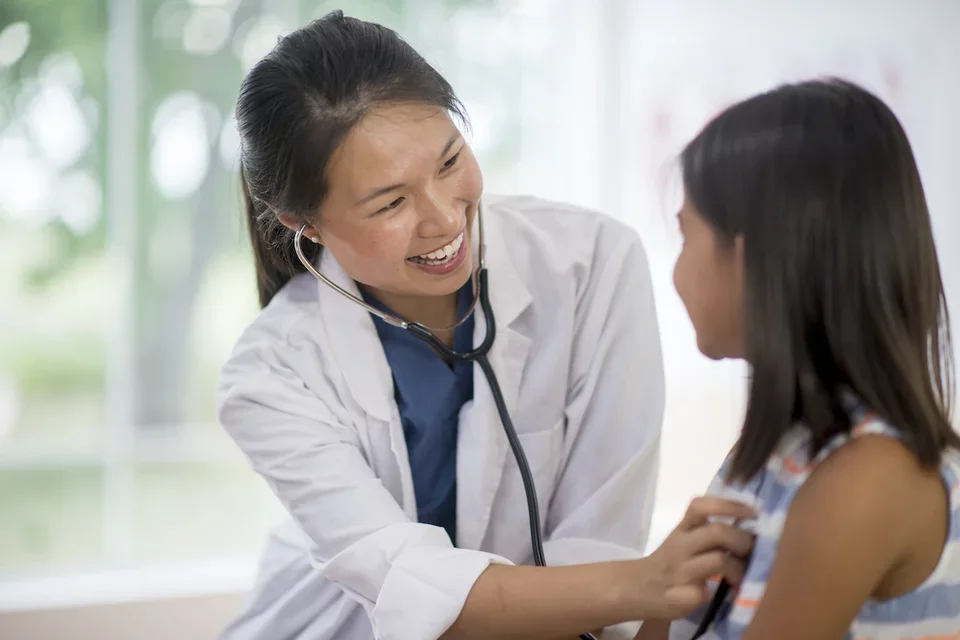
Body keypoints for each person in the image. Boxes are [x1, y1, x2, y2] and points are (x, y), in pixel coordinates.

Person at [218, 11, 753, 640]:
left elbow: (598, 543)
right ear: (304, 223)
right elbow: (410, 591)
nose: (444, 219)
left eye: (449, 163)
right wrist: (648, 583)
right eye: (391, 202)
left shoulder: (593, 264)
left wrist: (641, 585)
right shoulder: (270, 374)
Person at [636, 78, 960, 640]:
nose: (677, 271)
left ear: (751, 259)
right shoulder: (776, 456)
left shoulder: (868, 478)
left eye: (686, 237)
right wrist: (663, 590)